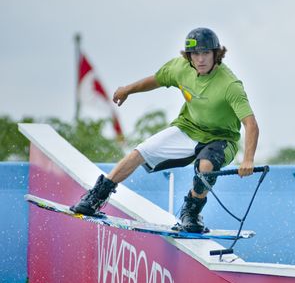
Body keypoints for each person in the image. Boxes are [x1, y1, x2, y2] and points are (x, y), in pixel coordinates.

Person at [70, 27, 259, 233]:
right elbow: (155, 80)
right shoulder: (180, 68)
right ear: (189, 56)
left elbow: (251, 124)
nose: (201, 59)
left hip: (222, 139)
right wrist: (127, 90)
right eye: (195, 54)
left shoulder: (230, 85)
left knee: (205, 165)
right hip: (188, 128)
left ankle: (191, 214)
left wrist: (248, 158)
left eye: (206, 53)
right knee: (139, 152)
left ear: (216, 54)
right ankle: (97, 196)